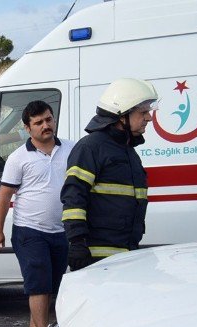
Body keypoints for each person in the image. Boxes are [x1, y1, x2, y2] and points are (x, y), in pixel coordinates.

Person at [0, 100, 74, 327]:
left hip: (61, 231)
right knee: (38, 284)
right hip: (29, 230)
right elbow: (4, 197)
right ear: (27, 128)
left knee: (51, 284)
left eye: (48, 119)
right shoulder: (18, 158)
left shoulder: (72, 149)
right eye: (38, 123)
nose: (45, 125)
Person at [61, 78, 157, 270]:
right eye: (143, 112)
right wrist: (78, 243)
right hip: (96, 257)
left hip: (125, 253)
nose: (149, 118)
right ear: (122, 116)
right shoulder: (90, 148)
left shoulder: (128, 151)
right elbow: (73, 198)